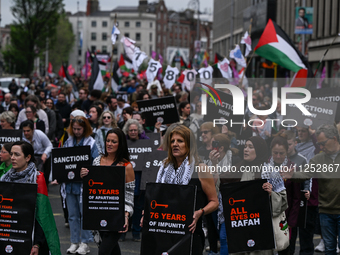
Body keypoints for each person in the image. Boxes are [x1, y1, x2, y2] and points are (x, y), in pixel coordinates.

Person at [153, 125, 218, 254]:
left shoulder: (201, 169)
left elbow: (214, 202)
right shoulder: (164, 168)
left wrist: (200, 212)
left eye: (180, 141)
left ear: (189, 144)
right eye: (172, 141)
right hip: (165, 231)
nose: (175, 144)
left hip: (190, 234)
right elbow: (157, 197)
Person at [281, 124, 340, 255]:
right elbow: (306, 174)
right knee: (329, 247)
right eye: (319, 144)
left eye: (323, 143)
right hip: (325, 210)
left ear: (334, 139)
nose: (321, 147)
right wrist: (293, 175)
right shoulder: (318, 159)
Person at [227, 136, 288, 255]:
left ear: (259, 149)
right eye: (245, 146)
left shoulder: (270, 171)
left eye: (250, 147)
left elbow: (284, 200)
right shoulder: (237, 169)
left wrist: (271, 194)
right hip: (241, 226)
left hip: (262, 229)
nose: (246, 150)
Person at [80, 128, 135, 255]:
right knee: (113, 251)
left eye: (114, 141)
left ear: (120, 144)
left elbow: (129, 194)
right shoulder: (97, 161)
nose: (109, 144)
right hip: (99, 213)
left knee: (103, 251)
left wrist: (126, 216)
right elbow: (92, 188)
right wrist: (84, 176)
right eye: (108, 141)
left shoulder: (126, 166)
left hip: (116, 216)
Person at [0, 141, 61, 255]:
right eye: (11, 154)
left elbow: (42, 216)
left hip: (30, 238)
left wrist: (37, 243)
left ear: (28, 157)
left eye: (17, 155)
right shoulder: (4, 179)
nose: (12, 158)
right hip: (8, 236)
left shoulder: (37, 179)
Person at [63, 116, 99, 254]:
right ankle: (74, 241)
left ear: (85, 129)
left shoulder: (91, 143)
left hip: (84, 184)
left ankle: (85, 242)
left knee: (85, 214)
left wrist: (87, 170)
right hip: (70, 184)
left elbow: (96, 162)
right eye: (75, 129)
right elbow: (62, 160)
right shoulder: (68, 142)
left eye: (79, 129)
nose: (77, 131)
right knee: (72, 215)